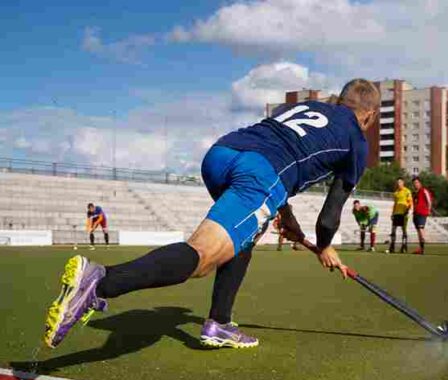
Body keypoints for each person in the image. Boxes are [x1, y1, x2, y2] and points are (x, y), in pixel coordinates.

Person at [43, 78, 380, 350]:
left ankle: (220, 322)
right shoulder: (356, 141)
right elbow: (329, 215)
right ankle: (100, 281)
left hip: (222, 154)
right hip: (260, 173)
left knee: (244, 238)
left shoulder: (310, 106)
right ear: (368, 116)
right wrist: (325, 246)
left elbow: (282, 149)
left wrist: (284, 214)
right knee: (202, 257)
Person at [387, 177, 412, 253]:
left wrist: (407, 211)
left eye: (400, 182)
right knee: (393, 229)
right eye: (397, 182)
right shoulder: (396, 193)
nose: (398, 184)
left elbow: (410, 202)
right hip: (396, 213)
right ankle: (392, 246)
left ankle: (404, 246)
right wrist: (392, 214)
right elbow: (395, 204)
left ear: (403, 183)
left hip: (404, 213)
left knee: (404, 230)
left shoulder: (407, 191)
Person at [411, 177, 433, 255]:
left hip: (422, 212)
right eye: (414, 183)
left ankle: (423, 244)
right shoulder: (414, 193)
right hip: (415, 213)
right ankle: (421, 248)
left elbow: (429, 200)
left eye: (417, 182)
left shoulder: (424, 190)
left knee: (420, 229)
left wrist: (429, 210)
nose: (415, 184)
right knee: (418, 231)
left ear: (420, 183)